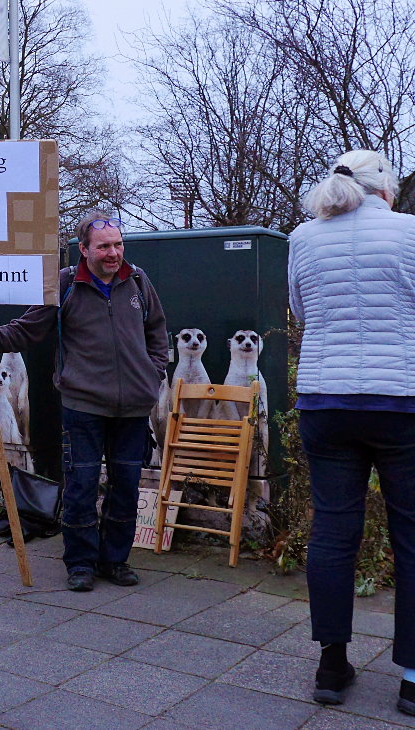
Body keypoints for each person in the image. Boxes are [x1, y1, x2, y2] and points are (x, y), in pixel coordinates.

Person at [0, 210, 168, 592]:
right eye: (104, 246)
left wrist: (153, 371)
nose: (113, 253)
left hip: (134, 408)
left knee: (125, 486)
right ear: (84, 250)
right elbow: (28, 329)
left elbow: (157, 330)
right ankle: (80, 564)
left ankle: (115, 561)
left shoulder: (138, 281)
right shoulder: (65, 285)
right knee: (81, 486)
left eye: (118, 244)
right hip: (83, 406)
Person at [288, 149, 415, 715]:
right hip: (401, 404)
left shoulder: (302, 238)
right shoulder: (409, 234)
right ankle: (412, 678)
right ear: (384, 187)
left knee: (335, 534)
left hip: (326, 400)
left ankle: (332, 666)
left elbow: (301, 313)